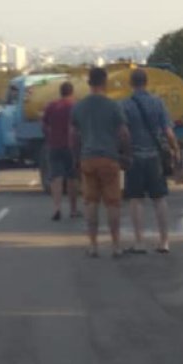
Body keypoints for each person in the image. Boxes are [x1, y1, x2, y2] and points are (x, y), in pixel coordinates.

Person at [71, 67, 131, 258]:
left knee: (90, 203)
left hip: (87, 159)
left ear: (89, 83)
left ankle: (93, 245)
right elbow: (124, 133)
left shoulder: (79, 107)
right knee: (113, 204)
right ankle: (115, 245)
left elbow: (73, 135)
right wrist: (127, 154)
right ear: (105, 83)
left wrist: (76, 157)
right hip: (109, 158)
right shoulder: (113, 106)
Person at [121, 68, 180, 254]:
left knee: (136, 200)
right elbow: (168, 132)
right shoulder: (158, 103)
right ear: (147, 83)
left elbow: (123, 133)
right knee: (159, 199)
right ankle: (164, 241)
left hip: (134, 157)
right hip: (155, 157)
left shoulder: (125, 105)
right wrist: (175, 150)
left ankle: (139, 242)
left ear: (131, 84)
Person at [42, 81, 79, 221]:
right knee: (72, 178)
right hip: (71, 147)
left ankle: (57, 208)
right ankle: (73, 209)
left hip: (54, 146)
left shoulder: (52, 106)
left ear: (60, 92)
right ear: (72, 92)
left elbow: (44, 124)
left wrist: (49, 137)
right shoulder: (74, 106)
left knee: (56, 178)